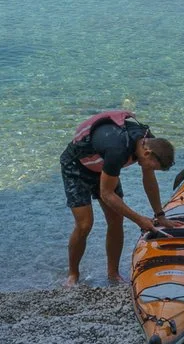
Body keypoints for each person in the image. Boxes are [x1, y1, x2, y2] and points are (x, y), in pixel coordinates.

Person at [60, 109, 177, 285]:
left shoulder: (147, 141)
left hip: (105, 170)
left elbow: (149, 180)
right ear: (147, 153)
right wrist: (139, 220)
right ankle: (73, 274)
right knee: (85, 225)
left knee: (116, 220)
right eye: (153, 166)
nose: (151, 170)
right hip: (76, 168)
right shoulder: (118, 149)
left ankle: (113, 274)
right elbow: (107, 194)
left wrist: (160, 215)